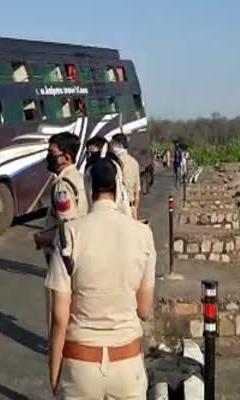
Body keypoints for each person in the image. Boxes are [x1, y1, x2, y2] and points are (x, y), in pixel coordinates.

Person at [45, 157, 156, 399]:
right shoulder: (143, 235)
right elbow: (145, 310)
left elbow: (59, 317)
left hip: (80, 364)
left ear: (88, 188)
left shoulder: (69, 235)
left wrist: (54, 372)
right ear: (119, 189)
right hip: (127, 364)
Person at [33, 132, 88, 331]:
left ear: (66, 156)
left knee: (58, 318)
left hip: (63, 262)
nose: (48, 157)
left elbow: (67, 232)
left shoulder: (63, 187)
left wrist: (42, 239)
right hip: (79, 257)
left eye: (51, 153)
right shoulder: (79, 179)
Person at [83, 136, 131, 217]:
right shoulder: (113, 164)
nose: (89, 157)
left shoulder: (105, 167)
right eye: (87, 153)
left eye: (91, 153)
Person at [111, 133, 142, 219]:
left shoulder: (113, 163)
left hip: (118, 210)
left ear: (118, 145)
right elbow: (137, 191)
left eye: (113, 144)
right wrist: (135, 209)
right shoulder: (134, 162)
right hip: (131, 208)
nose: (112, 147)